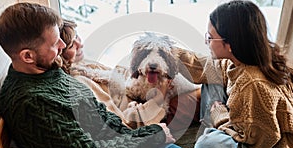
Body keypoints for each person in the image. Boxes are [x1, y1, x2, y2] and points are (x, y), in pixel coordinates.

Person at [0, 2, 249, 148]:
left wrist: (143, 136)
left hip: (130, 142)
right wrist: (152, 135)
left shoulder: (45, 69)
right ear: (27, 56)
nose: (63, 46)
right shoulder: (30, 104)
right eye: (55, 44)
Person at [172, 0, 293, 148]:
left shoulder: (253, 85)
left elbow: (257, 143)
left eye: (210, 37)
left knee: (207, 147)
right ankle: (216, 132)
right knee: (211, 77)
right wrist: (167, 53)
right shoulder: (245, 58)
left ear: (229, 44)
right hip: (249, 126)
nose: (206, 42)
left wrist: (220, 116)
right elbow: (207, 66)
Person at [59, 19, 201, 131]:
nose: (80, 44)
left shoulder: (84, 64)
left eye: (77, 36)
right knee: (206, 93)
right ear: (59, 51)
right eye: (72, 45)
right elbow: (125, 122)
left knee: (208, 85)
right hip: (155, 111)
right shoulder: (80, 82)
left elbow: (119, 79)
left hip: (147, 96)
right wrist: (160, 96)